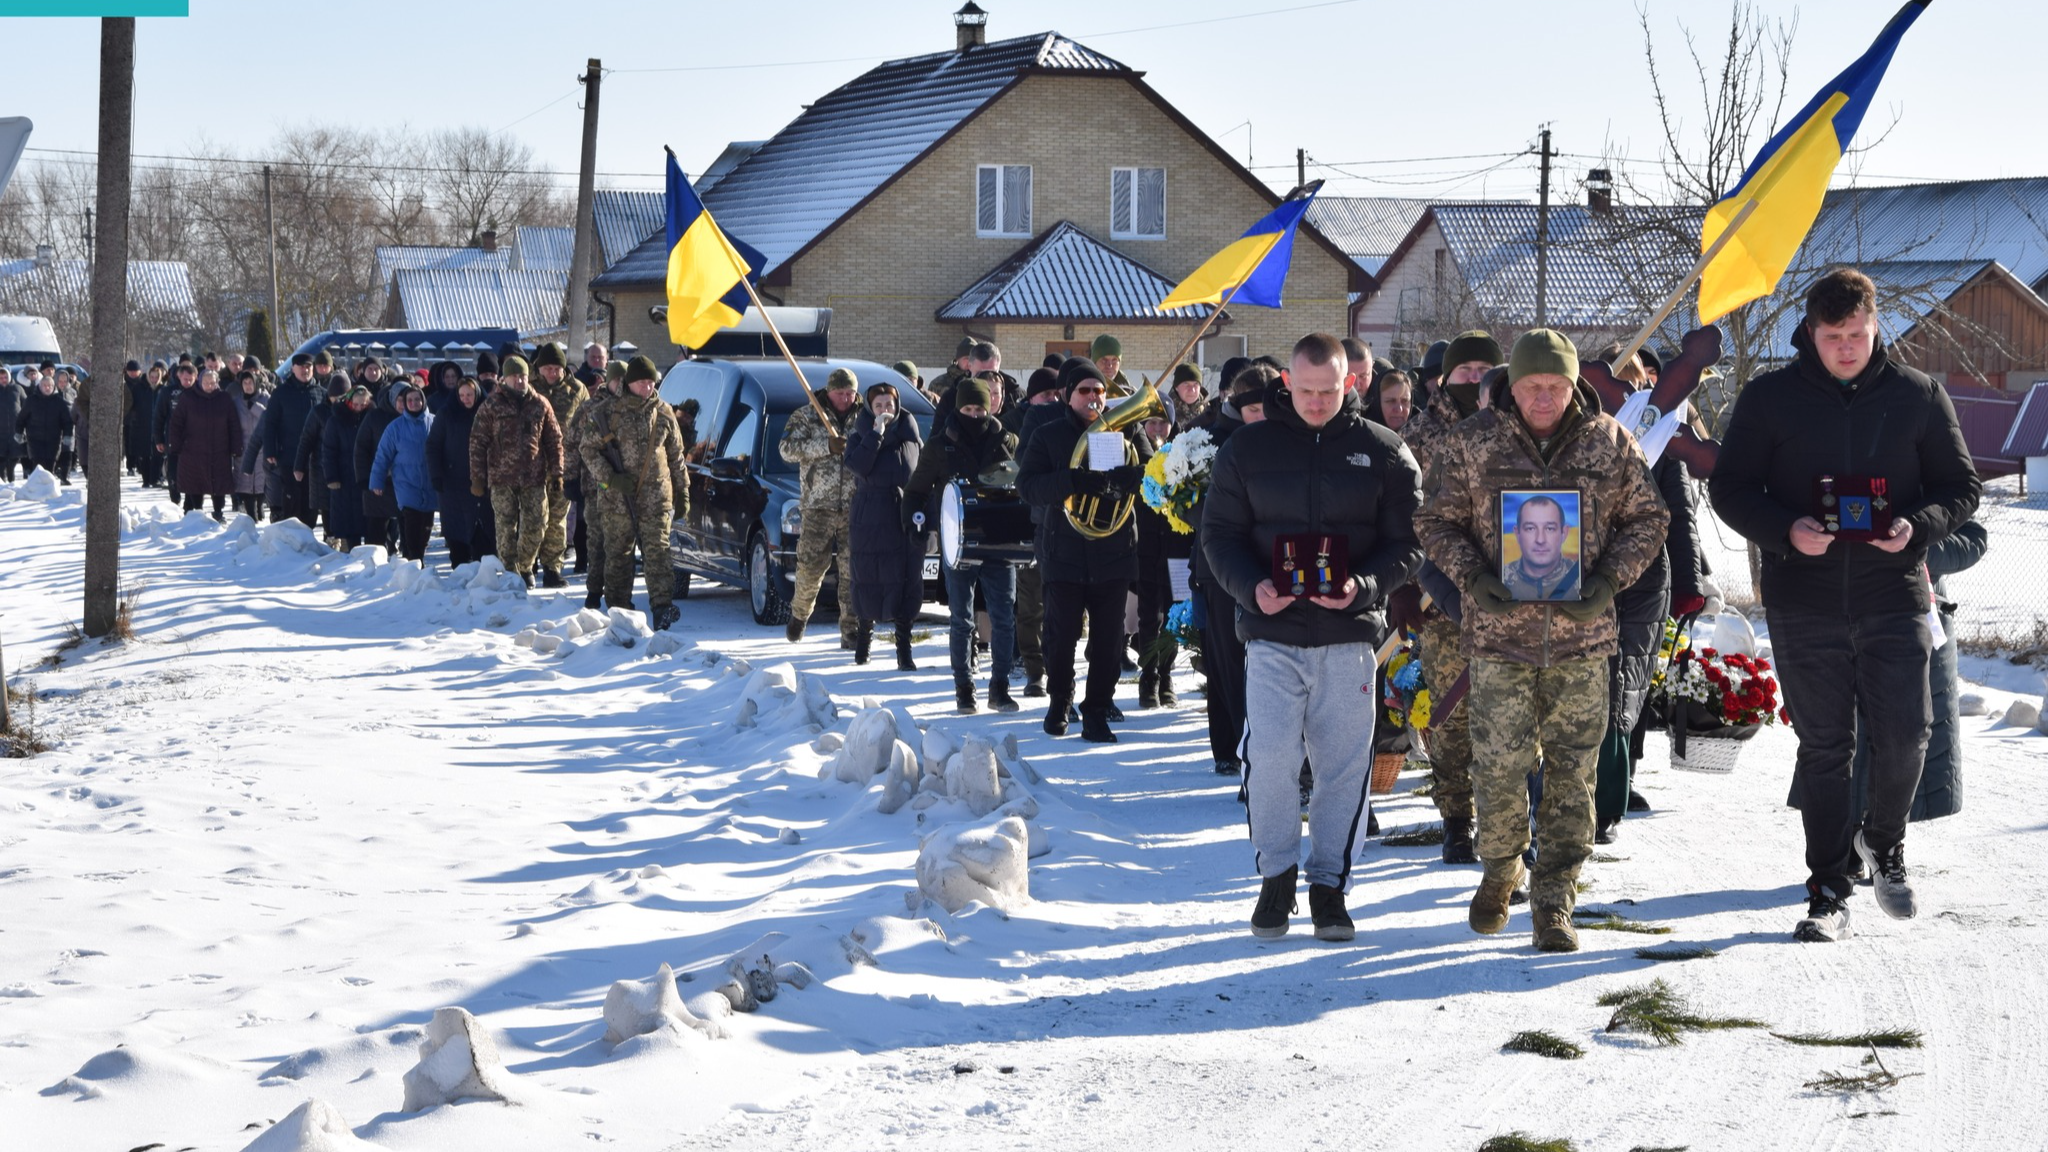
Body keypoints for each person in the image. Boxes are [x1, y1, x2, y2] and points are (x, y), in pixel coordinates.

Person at [1709, 267, 1980, 942]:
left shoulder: (1917, 396)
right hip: (1805, 600)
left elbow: (1961, 488)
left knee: (1906, 734)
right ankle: (1828, 891)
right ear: (1811, 331)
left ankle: (1883, 844)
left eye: (1858, 333)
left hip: (1895, 595)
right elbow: (1731, 489)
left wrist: (1918, 528)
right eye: (1834, 336)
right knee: (1827, 747)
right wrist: (1786, 532)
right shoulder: (1770, 399)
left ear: (1875, 323)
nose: (1848, 347)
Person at [1414, 329, 1668, 953]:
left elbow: (1649, 518)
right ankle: (1502, 871)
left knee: (1573, 773)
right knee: (1499, 767)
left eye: (1556, 386)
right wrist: (1473, 576)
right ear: (1512, 384)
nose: (1545, 398)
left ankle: (1555, 899)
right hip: (1499, 640)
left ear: (1575, 383)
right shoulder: (1471, 442)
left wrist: (1609, 580)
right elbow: (1433, 520)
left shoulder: (1609, 442)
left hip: (1582, 642)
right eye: (1533, 386)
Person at [1202, 334, 1424, 940]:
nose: (1318, 402)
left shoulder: (1383, 450)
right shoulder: (1246, 450)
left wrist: (1364, 584)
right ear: (1288, 384)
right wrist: (1252, 589)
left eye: (1330, 391)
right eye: (1306, 391)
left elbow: (1408, 543)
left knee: (1343, 768)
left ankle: (1329, 887)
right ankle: (1276, 879)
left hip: (1348, 637)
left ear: (1350, 383)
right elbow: (1218, 536)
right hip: (1272, 635)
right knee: (1270, 758)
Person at [1397, 329, 1502, 865]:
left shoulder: (1515, 427)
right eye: (1466, 369)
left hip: (1511, 600)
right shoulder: (1418, 435)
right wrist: (1409, 586)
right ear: (1445, 376)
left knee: (1503, 716)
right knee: (1452, 715)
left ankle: (1502, 821)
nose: (1475, 377)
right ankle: (1456, 819)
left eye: (1486, 368)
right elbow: (1403, 518)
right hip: (1441, 601)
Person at [1017, 360, 1146, 742]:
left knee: (1108, 641)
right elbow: (1028, 486)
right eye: (1085, 391)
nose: (1094, 398)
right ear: (1067, 395)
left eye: (1100, 391)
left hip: (1114, 551)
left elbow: (1154, 472)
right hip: (1065, 551)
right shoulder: (1048, 433)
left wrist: (1131, 478)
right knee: (1060, 636)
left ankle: (1096, 712)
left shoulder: (1127, 427)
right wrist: (1072, 481)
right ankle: (1060, 703)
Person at [905, 376, 1019, 711]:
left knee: (1003, 617)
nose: (974, 414)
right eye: (968, 408)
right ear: (958, 408)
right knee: (962, 619)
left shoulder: (1007, 440)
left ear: (990, 406)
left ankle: (1000, 687)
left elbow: (1023, 482)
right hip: (958, 545)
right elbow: (915, 491)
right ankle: (964, 688)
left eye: (979, 407)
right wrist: (915, 523)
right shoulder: (941, 446)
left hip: (999, 541)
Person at [1188, 361, 1274, 775]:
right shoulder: (1207, 442)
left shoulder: (1283, 438)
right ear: (1237, 406)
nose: (1262, 416)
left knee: (1262, 667)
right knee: (1225, 660)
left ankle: (1256, 752)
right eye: (1254, 408)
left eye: (1269, 406)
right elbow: (1190, 507)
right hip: (1219, 566)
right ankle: (1232, 749)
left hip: (1270, 564)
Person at [577, 355, 689, 629]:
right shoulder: (607, 413)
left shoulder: (664, 413)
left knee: (659, 553)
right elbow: (587, 449)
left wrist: (682, 491)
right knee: (618, 554)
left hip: (656, 499)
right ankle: (619, 610)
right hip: (617, 500)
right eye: (641, 383)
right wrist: (611, 479)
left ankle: (662, 608)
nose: (648, 388)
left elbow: (676, 456)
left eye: (651, 382)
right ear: (629, 383)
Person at [844, 380, 926, 669]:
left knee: (907, 577)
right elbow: (858, 466)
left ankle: (904, 648)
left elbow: (923, 472)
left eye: (889, 405)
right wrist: (876, 434)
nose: (885, 410)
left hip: (903, 515)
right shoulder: (859, 436)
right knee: (869, 577)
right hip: (870, 516)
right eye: (878, 405)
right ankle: (863, 642)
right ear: (869, 408)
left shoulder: (910, 436)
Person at [779, 367, 862, 647]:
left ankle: (851, 630)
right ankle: (800, 615)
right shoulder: (807, 415)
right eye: (840, 394)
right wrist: (825, 445)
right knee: (811, 568)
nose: (846, 399)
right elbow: (786, 449)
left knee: (853, 571)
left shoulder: (863, 417)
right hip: (817, 506)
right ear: (829, 392)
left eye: (850, 393)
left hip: (854, 506)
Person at [469, 356, 563, 587]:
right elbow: (477, 442)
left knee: (537, 524)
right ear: (505, 379)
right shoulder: (492, 405)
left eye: (523, 376)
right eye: (515, 377)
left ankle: (525, 565)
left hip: (534, 476)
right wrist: (477, 478)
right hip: (501, 478)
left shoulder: (540, 404)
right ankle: (512, 573)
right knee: (505, 528)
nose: (520, 381)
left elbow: (554, 440)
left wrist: (558, 472)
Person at [1010, 367, 1067, 697]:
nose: (1053, 399)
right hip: (1032, 520)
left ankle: (1058, 668)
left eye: (1057, 393)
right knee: (1031, 602)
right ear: (1032, 397)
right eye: (1047, 394)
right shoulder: (1022, 421)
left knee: (1059, 606)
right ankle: (1035, 670)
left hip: (1068, 526)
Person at [1133, 411, 1185, 709]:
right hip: (1146, 548)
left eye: (1162, 422)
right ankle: (1148, 676)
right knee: (1148, 616)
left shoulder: (1183, 454)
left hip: (1176, 549)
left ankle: (1166, 675)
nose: (1156, 428)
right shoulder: (1137, 454)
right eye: (1150, 422)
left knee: (1173, 617)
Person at [564, 360, 624, 608]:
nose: (621, 386)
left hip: (627, 488)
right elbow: (572, 443)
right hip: (595, 485)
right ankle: (593, 592)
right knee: (597, 541)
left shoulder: (632, 408)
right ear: (608, 381)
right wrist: (570, 477)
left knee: (620, 544)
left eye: (624, 381)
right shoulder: (589, 408)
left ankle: (619, 595)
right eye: (617, 380)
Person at [529, 342, 588, 588]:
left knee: (557, 518)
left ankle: (552, 567)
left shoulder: (577, 390)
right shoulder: (529, 389)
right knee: (533, 517)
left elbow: (587, 424)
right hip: (532, 464)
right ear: (539, 368)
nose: (553, 373)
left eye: (557, 368)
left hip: (563, 465)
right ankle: (527, 565)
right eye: (548, 368)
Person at [369, 382, 438, 562]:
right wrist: (376, 481)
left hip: (430, 484)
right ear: (404, 403)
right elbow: (383, 455)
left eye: (417, 399)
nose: (414, 403)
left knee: (426, 527)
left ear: (423, 401)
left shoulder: (434, 422)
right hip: (406, 484)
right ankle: (414, 561)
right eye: (410, 400)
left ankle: (417, 557)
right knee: (412, 523)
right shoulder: (395, 427)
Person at [426, 377, 488, 567]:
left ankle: (482, 565)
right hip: (453, 480)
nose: (465, 399)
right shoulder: (446, 413)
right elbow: (433, 445)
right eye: (461, 395)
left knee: (482, 525)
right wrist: (436, 474)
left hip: (482, 479)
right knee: (457, 525)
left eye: (469, 395)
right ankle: (459, 565)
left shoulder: (487, 412)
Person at [167, 368, 244, 520]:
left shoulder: (224, 399)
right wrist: (175, 445)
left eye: (212, 383)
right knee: (195, 483)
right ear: (200, 382)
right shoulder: (188, 398)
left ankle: (218, 511)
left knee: (219, 483)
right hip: (193, 450)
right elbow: (176, 424)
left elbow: (233, 424)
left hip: (220, 450)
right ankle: (196, 513)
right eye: (206, 383)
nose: (209, 386)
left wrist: (236, 446)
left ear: (217, 383)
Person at [320, 385, 373, 549]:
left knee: (369, 518)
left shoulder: (371, 417)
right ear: (349, 401)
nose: (359, 408)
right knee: (348, 520)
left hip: (366, 475)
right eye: (356, 404)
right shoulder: (336, 420)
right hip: (344, 475)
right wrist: (332, 477)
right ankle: (349, 548)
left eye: (363, 404)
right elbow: (328, 451)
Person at [1499, 496, 1581, 600]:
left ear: (1564, 533)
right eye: (1530, 528)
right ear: (1517, 534)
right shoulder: (1500, 578)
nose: (1540, 540)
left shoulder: (1582, 576)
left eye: (1550, 529)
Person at [154, 360, 199, 504]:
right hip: (173, 439)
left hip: (194, 441)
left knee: (192, 474)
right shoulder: (168, 392)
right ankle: (175, 497)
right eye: (185, 379)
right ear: (179, 376)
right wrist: (158, 439)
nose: (188, 382)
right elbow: (159, 416)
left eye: (191, 379)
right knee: (173, 473)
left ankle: (189, 504)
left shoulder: (199, 392)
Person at [230, 370, 271, 521]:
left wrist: (255, 407)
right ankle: (250, 516)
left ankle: (260, 505)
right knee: (245, 483)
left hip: (261, 448)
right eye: (245, 383)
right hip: (243, 448)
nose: (248, 386)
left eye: (251, 383)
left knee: (261, 482)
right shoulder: (236, 402)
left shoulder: (266, 399)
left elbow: (270, 418)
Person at [16, 371, 74, 479]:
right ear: (40, 386)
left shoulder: (59, 402)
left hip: (53, 441)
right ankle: (36, 490)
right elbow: (21, 419)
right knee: (38, 467)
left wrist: (68, 435)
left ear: (53, 387)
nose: (47, 388)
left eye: (50, 386)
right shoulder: (31, 401)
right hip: (35, 441)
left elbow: (67, 421)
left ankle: (49, 492)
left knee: (50, 468)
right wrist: (19, 432)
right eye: (45, 385)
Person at [119, 360, 152, 479]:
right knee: (128, 443)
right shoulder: (123, 383)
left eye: (135, 371)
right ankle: (130, 465)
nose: (133, 373)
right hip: (127, 418)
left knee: (140, 443)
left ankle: (139, 465)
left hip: (140, 418)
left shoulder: (143, 382)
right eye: (130, 371)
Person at [1166, 362, 1208, 433]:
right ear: (1176, 387)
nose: (1192, 390)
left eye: (1196, 384)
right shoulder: (1166, 411)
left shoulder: (1209, 411)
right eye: (1186, 384)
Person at [0, 366, 25, 483]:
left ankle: (11, 480)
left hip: (16, 429)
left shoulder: (17, 389)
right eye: (1, 378)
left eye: (5, 377)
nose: (3, 380)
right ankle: (2, 480)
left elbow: (26, 406)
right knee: (1, 458)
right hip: (1, 431)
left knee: (14, 457)